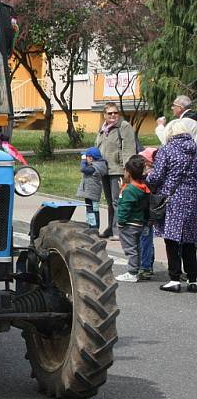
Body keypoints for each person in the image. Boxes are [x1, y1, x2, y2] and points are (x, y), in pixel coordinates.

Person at [145, 120, 197, 293]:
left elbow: (157, 176)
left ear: (170, 133)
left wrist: (148, 179)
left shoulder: (167, 150)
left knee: (172, 239)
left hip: (173, 199)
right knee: (190, 240)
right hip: (193, 199)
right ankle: (193, 279)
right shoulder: (195, 149)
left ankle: (174, 279)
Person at [94, 102, 138, 239]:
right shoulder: (103, 129)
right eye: (110, 113)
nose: (113, 115)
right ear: (104, 115)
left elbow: (129, 149)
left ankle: (118, 230)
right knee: (109, 202)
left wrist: (128, 170)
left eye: (115, 112)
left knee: (117, 201)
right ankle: (110, 227)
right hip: (104, 170)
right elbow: (98, 147)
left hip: (118, 170)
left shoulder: (124, 127)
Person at [115, 155, 151, 282]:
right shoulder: (143, 187)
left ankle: (132, 272)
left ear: (128, 173)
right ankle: (136, 269)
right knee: (137, 247)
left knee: (130, 249)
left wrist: (120, 222)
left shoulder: (129, 190)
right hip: (140, 223)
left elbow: (124, 207)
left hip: (129, 224)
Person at [137, 147, 158, 280]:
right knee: (147, 241)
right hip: (148, 216)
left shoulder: (149, 178)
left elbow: (147, 200)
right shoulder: (149, 176)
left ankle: (145, 267)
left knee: (145, 241)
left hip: (146, 216)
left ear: (149, 162)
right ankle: (148, 264)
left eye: (143, 159)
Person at [76, 147, 106, 230]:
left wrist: (83, 160)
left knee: (92, 210)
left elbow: (83, 169)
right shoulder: (99, 165)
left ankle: (94, 228)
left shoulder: (94, 168)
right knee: (91, 209)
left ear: (91, 158)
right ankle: (91, 225)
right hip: (91, 192)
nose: (85, 159)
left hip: (91, 193)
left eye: (87, 157)